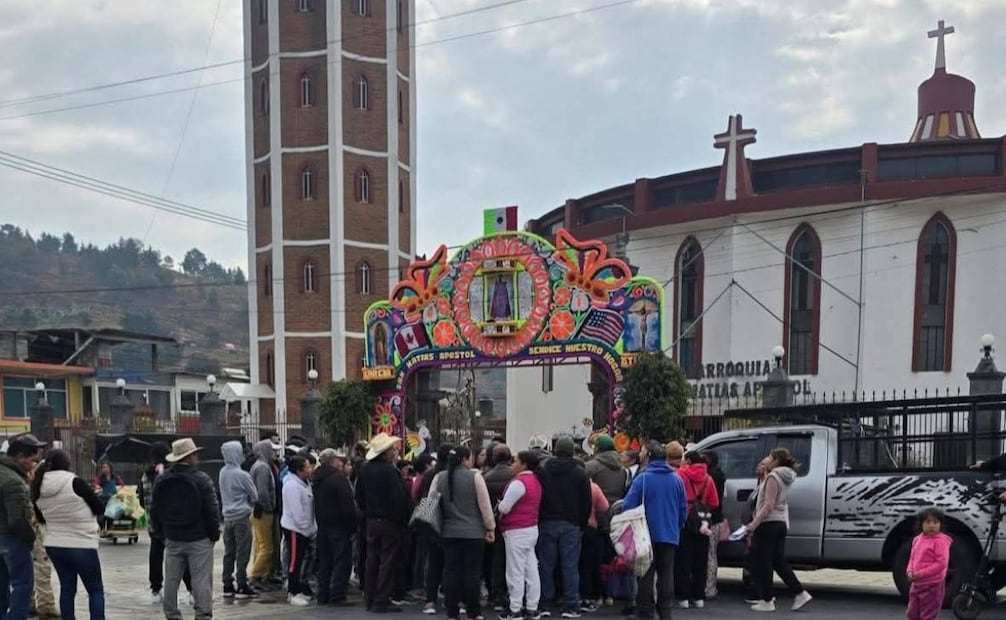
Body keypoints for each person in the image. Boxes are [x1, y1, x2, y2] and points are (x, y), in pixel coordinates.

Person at [32, 449, 106, 620]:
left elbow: (41, 517)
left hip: (54, 545)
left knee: (67, 588)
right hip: (81, 544)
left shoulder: (37, 485)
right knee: (95, 590)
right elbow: (99, 508)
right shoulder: (74, 481)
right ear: (66, 464)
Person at [151, 438, 221, 620]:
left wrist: (161, 535)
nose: (197, 458)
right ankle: (203, 614)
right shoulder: (202, 479)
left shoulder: (162, 480)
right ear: (190, 457)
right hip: (199, 538)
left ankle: (172, 614)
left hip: (173, 537)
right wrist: (213, 535)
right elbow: (212, 510)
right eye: (195, 454)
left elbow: (155, 510)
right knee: (201, 580)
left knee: (171, 580)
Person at [622, 440, 687, 620]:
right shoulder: (677, 479)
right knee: (666, 574)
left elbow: (627, 505)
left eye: (643, 452)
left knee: (645, 576)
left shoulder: (642, 479)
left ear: (649, 457)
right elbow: (683, 510)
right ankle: (665, 611)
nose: (640, 454)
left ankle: (645, 613)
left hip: (645, 535)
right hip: (669, 535)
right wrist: (677, 526)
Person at [432, 446, 496, 620]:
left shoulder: (439, 477)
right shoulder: (475, 477)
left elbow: (430, 505)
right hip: (474, 533)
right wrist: (490, 527)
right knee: (472, 573)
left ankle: (452, 611)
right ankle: (473, 611)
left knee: (451, 571)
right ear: (465, 459)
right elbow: (485, 505)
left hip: (448, 532)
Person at [747, 448, 812, 613]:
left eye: (769, 457)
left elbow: (768, 504)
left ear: (775, 460)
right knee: (778, 560)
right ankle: (799, 592)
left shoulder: (773, 477)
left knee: (764, 562)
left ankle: (767, 600)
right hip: (781, 522)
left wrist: (754, 524)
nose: (766, 459)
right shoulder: (785, 476)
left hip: (768, 523)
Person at [537, 436, 591, 619]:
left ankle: (545, 602)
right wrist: (581, 524)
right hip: (571, 524)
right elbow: (586, 503)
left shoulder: (543, 470)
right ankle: (571, 604)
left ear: (555, 449)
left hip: (546, 522)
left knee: (546, 564)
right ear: (572, 451)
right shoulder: (580, 473)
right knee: (570, 566)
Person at [356, 433, 410, 614]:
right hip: (389, 522)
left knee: (372, 559)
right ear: (386, 453)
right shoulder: (390, 471)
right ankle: (381, 599)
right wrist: (401, 520)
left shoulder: (364, 469)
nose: (395, 452)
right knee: (387, 561)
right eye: (393, 450)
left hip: (371, 521)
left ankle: (370, 598)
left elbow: (359, 497)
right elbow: (399, 499)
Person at [0, 433, 46, 620]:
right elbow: (19, 519)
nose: (35, 462)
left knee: (2, 585)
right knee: (22, 586)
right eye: (33, 458)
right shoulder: (13, 481)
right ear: (20, 456)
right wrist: (30, 538)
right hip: (13, 539)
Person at [498, 450, 544, 620]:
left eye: (516, 461)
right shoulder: (536, 481)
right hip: (531, 528)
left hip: (516, 530)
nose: (513, 464)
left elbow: (505, 508)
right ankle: (532, 607)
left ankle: (515, 608)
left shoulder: (518, 482)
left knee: (515, 571)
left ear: (524, 464)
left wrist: (500, 504)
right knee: (531, 569)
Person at [674, 450, 719, 609]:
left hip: (685, 522)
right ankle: (698, 597)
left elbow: (676, 497)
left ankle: (683, 597)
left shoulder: (680, 475)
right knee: (701, 562)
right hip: (703, 524)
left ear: (687, 461)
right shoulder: (708, 479)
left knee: (683, 561)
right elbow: (714, 503)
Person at [313, 449, 357, 607]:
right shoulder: (339, 479)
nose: (341, 462)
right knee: (341, 561)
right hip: (339, 526)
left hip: (323, 525)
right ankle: (337, 595)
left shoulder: (316, 478)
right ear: (332, 461)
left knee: (325, 561)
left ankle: (323, 594)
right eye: (339, 460)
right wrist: (353, 526)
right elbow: (347, 506)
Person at [218, 441, 259, 600]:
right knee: (243, 552)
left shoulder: (222, 472)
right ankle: (242, 584)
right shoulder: (242, 475)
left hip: (227, 517)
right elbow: (255, 495)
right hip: (242, 517)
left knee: (229, 553)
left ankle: (227, 584)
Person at [419, 444, 453, 615]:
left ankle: (430, 600)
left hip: (432, 523)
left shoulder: (429, 475)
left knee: (433, 564)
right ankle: (449, 598)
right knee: (450, 564)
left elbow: (421, 497)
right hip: (451, 524)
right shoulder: (453, 475)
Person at [281, 455, 317, 607]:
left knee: (300, 560)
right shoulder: (291, 486)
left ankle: (298, 590)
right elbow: (297, 512)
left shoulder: (304, 482)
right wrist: (305, 528)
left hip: (305, 530)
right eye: (307, 467)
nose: (310, 469)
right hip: (296, 530)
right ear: (299, 470)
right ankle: (293, 592)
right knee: (294, 562)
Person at [483, 444, 515, 612]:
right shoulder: (516, 476)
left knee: (494, 560)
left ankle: (495, 594)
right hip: (514, 524)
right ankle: (512, 595)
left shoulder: (486, 477)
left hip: (493, 524)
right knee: (513, 562)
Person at [906, 508, 952, 620]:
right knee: (912, 614)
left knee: (927, 615)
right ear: (921, 524)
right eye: (927, 522)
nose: (931, 525)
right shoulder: (917, 539)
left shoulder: (940, 541)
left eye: (935, 522)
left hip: (932, 585)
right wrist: (909, 571)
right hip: (916, 584)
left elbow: (941, 563)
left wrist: (921, 574)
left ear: (940, 524)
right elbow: (912, 558)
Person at [248, 438, 279, 590]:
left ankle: (261, 574)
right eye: (270, 449)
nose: (273, 453)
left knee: (261, 546)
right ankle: (255, 575)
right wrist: (269, 507)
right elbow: (262, 492)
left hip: (258, 511)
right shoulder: (262, 468)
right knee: (267, 547)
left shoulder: (260, 466)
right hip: (263, 512)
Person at [578, 479, 609, 612]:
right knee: (590, 564)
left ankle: (568, 594)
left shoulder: (569, 485)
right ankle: (591, 595)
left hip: (572, 526)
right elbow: (604, 506)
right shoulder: (593, 487)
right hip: (590, 527)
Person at [703, 450, 727, 600]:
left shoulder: (709, 476)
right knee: (712, 553)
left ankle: (709, 588)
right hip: (717, 518)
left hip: (709, 518)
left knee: (709, 554)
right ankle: (710, 587)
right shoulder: (720, 475)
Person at [586, 436, 628, 504]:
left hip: (597, 507)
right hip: (617, 508)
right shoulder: (622, 467)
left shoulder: (591, 466)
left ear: (597, 448)